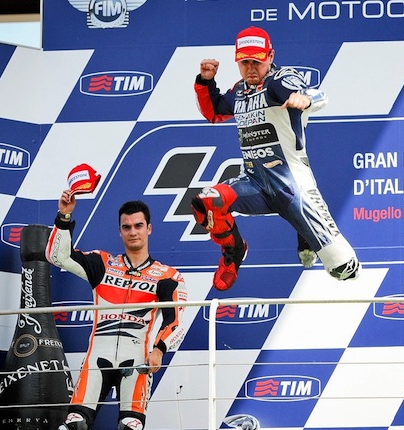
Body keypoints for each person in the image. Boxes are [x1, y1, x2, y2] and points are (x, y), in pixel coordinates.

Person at [191, 25, 360, 291]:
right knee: (206, 203)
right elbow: (214, 113)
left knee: (345, 269)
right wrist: (206, 82)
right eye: (244, 62)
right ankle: (234, 250)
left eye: (257, 62)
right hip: (254, 184)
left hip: (291, 186)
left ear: (270, 56)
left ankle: (304, 232)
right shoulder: (240, 90)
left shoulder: (280, 80)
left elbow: (316, 95)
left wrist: (304, 99)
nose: (251, 69)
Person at [45, 190, 187, 430]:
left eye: (138, 226)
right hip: (96, 359)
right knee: (74, 425)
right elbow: (57, 256)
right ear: (120, 231)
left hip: (136, 361)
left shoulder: (167, 276)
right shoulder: (103, 264)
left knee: (130, 426)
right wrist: (64, 216)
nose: (133, 232)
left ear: (149, 229)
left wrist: (159, 349)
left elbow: (175, 321)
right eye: (126, 227)